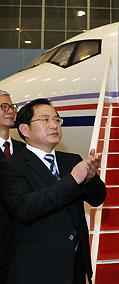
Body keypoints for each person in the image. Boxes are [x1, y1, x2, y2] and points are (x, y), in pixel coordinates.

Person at [0, 98, 106, 284]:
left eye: (57, 120)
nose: (54, 125)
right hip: (37, 270)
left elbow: (98, 198)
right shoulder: (11, 166)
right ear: (25, 130)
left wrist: (89, 177)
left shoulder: (71, 160)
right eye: (45, 120)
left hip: (75, 268)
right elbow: (25, 209)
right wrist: (73, 180)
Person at [0, 90, 25, 284]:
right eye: (4, 107)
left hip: (23, 247)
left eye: (12, 106)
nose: (11, 111)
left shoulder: (25, 150)